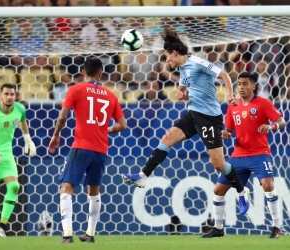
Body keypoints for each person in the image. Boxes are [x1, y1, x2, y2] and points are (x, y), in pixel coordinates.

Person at [121, 27, 250, 215]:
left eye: (167, 57)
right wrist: (181, 92)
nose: (166, 61)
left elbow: (223, 75)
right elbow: (183, 86)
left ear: (174, 52)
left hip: (209, 118)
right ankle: (142, 176)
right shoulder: (182, 69)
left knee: (218, 164)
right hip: (192, 114)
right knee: (166, 139)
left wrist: (230, 95)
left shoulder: (198, 62)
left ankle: (241, 191)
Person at [48, 56, 126, 243]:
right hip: (101, 150)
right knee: (94, 191)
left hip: (81, 147)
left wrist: (56, 134)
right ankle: (90, 234)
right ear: (101, 73)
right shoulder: (111, 95)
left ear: (83, 72)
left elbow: (63, 116)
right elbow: (122, 124)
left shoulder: (76, 89)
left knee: (66, 188)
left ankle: (67, 234)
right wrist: (106, 129)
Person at [202, 72, 286, 239]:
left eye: (245, 84)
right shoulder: (233, 106)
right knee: (218, 190)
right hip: (239, 154)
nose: (240, 87)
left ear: (253, 86)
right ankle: (218, 228)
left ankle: (276, 226)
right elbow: (229, 130)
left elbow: (281, 121)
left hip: (260, 154)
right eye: (239, 84)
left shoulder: (263, 103)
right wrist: (225, 134)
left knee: (268, 186)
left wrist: (271, 127)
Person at [0, 83, 36, 237]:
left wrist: (27, 139)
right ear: (0, 96)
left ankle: (0, 226)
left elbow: (22, 122)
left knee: (14, 187)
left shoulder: (20, 109)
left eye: (12, 94)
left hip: (6, 152)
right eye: (6, 94)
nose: (10, 97)